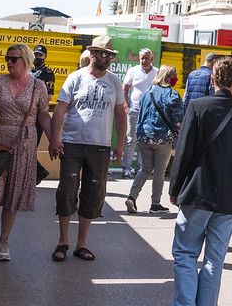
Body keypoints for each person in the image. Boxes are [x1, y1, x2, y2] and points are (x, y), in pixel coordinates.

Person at [168, 57, 232, 306]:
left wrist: (175, 189)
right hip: (229, 197)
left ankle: (185, 304)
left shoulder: (198, 107)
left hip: (199, 191)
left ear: (212, 79)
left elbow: (184, 151)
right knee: (214, 260)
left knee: (185, 253)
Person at [47, 34, 126, 262]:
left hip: (100, 146)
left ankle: (82, 245)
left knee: (93, 195)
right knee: (67, 192)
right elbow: (61, 109)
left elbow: (120, 114)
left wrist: (120, 144)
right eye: (101, 53)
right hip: (72, 143)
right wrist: (55, 138)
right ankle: (62, 241)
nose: (105, 58)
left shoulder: (114, 82)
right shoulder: (76, 78)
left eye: (109, 55)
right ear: (91, 54)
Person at [0, 42, 51, 263]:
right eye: (7, 58)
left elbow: (44, 115)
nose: (9, 62)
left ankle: (4, 242)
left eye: (13, 58)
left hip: (24, 146)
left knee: (12, 196)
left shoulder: (38, 87)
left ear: (25, 61)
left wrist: (55, 139)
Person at [126, 64, 184, 213]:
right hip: (163, 138)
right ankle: (155, 204)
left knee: (145, 169)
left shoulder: (147, 92)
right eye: (174, 76)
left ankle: (132, 197)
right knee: (159, 172)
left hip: (144, 137)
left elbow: (141, 114)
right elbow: (179, 122)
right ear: (170, 78)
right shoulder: (173, 94)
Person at [123, 47, 159, 178]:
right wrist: (126, 105)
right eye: (142, 58)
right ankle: (126, 168)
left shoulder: (157, 72)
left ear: (152, 59)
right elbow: (125, 89)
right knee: (131, 139)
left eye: (147, 58)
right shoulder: (133, 71)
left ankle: (140, 169)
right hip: (134, 110)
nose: (144, 60)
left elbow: (160, 91)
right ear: (139, 58)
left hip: (149, 112)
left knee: (145, 141)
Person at [32, 45, 56, 185]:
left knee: (30, 148)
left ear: (45, 57)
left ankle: (38, 173)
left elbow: (49, 96)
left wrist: (34, 104)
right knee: (23, 148)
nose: (37, 57)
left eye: (40, 55)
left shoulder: (47, 73)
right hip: (24, 115)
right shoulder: (28, 69)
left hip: (38, 116)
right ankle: (38, 173)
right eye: (36, 54)